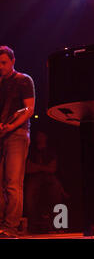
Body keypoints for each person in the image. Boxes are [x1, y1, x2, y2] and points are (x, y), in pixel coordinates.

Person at [0, 45, 35, 238]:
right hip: (1, 134)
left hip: (17, 134)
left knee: (13, 183)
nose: (1, 67)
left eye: (4, 63)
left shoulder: (23, 80)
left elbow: (29, 109)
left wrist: (11, 127)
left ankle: (10, 227)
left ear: (13, 62)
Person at [24, 130, 68, 233]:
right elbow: (28, 168)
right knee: (30, 195)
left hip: (49, 177)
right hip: (34, 177)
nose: (40, 137)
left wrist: (38, 167)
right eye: (38, 135)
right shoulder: (31, 151)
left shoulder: (51, 151)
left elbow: (52, 169)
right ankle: (32, 225)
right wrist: (44, 168)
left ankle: (59, 225)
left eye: (42, 135)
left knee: (57, 192)